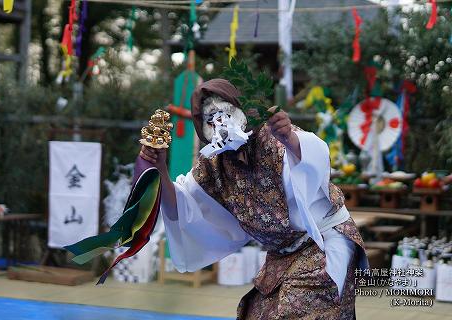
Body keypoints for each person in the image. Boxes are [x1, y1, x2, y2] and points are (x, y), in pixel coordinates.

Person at [139, 79, 368, 319]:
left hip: (323, 243)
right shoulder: (214, 167)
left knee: (297, 312)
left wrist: (289, 137)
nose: (220, 123)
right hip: (281, 255)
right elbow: (180, 205)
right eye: (211, 119)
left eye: (225, 112)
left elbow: (314, 160)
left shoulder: (270, 135)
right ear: (202, 128)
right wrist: (160, 168)